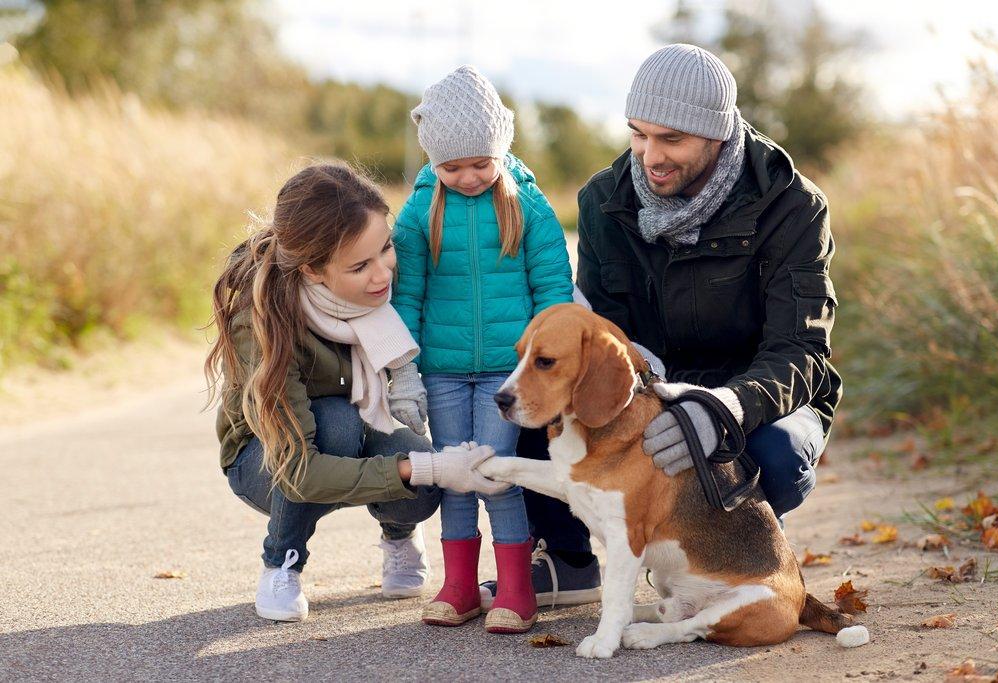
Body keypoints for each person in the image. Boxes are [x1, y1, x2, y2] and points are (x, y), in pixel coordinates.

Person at [516, 43, 842, 605]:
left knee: (776, 456)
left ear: (718, 134)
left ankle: (736, 548)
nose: (650, 155)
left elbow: (802, 352)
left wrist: (723, 408)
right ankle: (569, 561)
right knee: (530, 404)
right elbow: (602, 337)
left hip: (755, 395)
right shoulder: (603, 200)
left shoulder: (791, 206)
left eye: (672, 139)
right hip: (652, 387)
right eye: (639, 134)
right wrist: (653, 396)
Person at [206, 163, 507, 623]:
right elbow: (300, 471)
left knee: (422, 487)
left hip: (359, 432)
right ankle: (280, 563)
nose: (383, 273)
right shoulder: (264, 320)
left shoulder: (379, 288)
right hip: (266, 462)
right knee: (340, 425)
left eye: (385, 249)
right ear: (313, 269)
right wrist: (426, 467)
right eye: (360, 266)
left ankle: (399, 535)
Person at [393, 65, 574, 633]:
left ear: (501, 150)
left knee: (496, 473)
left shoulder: (530, 207)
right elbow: (407, 296)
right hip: (442, 372)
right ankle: (460, 586)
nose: (468, 177)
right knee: (455, 475)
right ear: (432, 161)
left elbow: (552, 293)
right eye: (452, 167)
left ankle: (516, 588)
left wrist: (546, 368)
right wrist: (404, 370)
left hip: (506, 373)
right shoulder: (420, 213)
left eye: (481, 163)